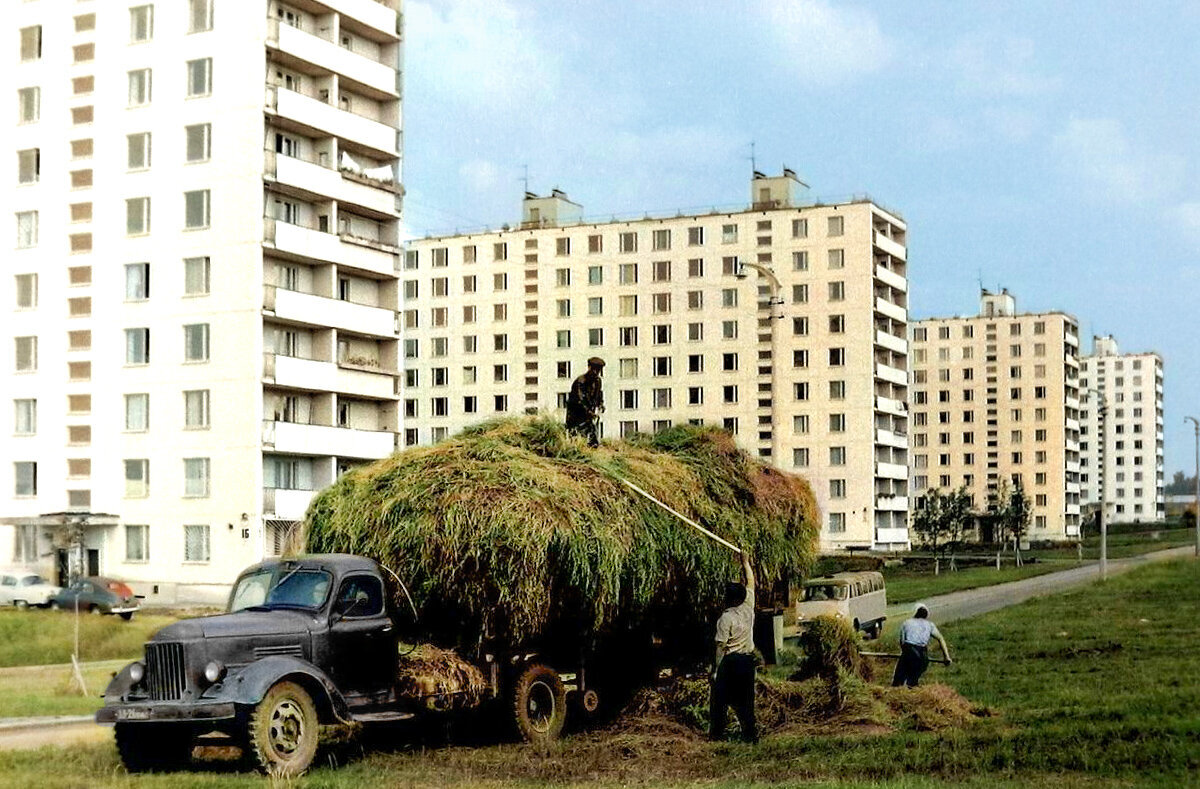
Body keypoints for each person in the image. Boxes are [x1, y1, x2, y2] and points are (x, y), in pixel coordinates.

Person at [710, 551, 757, 743]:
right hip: (747, 661)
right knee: (746, 701)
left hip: (730, 662)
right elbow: (751, 582)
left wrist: (715, 669)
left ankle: (717, 735)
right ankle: (750, 736)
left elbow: (720, 646)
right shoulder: (748, 609)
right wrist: (745, 562)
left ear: (727, 598)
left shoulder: (725, 618)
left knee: (719, 700)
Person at [891, 603, 952, 688]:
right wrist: (946, 657)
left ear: (915, 613)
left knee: (897, 682)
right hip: (923, 656)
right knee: (913, 682)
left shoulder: (907, 623)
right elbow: (940, 639)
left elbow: (902, 642)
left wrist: (904, 656)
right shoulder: (930, 625)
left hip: (909, 651)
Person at [565, 357, 605, 447]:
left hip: (588, 413)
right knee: (577, 436)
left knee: (592, 431)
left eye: (598, 371)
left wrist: (601, 404)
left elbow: (599, 395)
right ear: (589, 368)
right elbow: (580, 399)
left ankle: (593, 445)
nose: (596, 373)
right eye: (594, 370)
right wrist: (589, 412)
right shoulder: (581, 381)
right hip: (576, 414)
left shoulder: (598, 381)